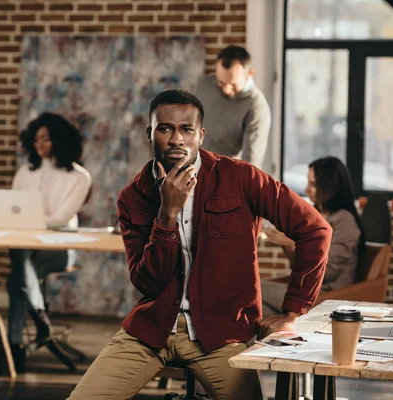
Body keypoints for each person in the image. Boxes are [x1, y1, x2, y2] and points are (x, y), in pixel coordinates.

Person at [67, 90, 331, 400]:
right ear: (149, 133)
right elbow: (147, 282)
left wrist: (292, 311)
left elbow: (315, 229)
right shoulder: (134, 197)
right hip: (151, 331)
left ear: (200, 135)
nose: (176, 139)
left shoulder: (241, 178)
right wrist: (167, 214)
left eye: (186, 129)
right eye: (165, 128)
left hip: (222, 334)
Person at [0, 112, 92, 376]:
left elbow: (61, 218)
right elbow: (13, 210)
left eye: (46, 139)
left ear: (60, 141)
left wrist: (26, 221)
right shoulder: (24, 173)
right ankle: (34, 327)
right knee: (21, 263)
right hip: (26, 246)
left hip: (61, 248)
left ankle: (12, 352)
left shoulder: (79, 177)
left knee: (15, 280)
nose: (40, 144)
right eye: (36, 139)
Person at [261, 157, 365, 316]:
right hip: (307, 289)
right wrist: (286, 243)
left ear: (330, 186)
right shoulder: (317, 215)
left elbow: (329, 272)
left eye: (313, 184)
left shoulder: (344, 220)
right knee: (261, 311)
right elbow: (300, 266)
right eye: (308, 182)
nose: (306, 189)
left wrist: (294, 243)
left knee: (253, 290)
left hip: (327, 294)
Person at [195, 45, 271, 169]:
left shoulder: (257, 107)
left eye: (233, 84)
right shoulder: (205, 84)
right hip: (193, 170)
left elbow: (251, 162)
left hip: (226, 177)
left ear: (250, 74)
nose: (226, 89)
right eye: (221, 82)